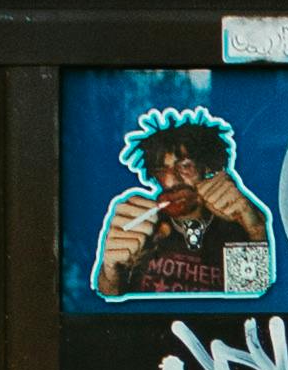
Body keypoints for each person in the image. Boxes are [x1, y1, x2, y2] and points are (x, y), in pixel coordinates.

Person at [95, 111, 273, 297]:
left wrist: (256, 233)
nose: (170, 182)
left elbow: (249, 301)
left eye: (185, 166)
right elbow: (111, 297)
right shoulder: (139, 228)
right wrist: (109, 271)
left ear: (207, 167)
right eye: (161, 170)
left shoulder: (234, 228)